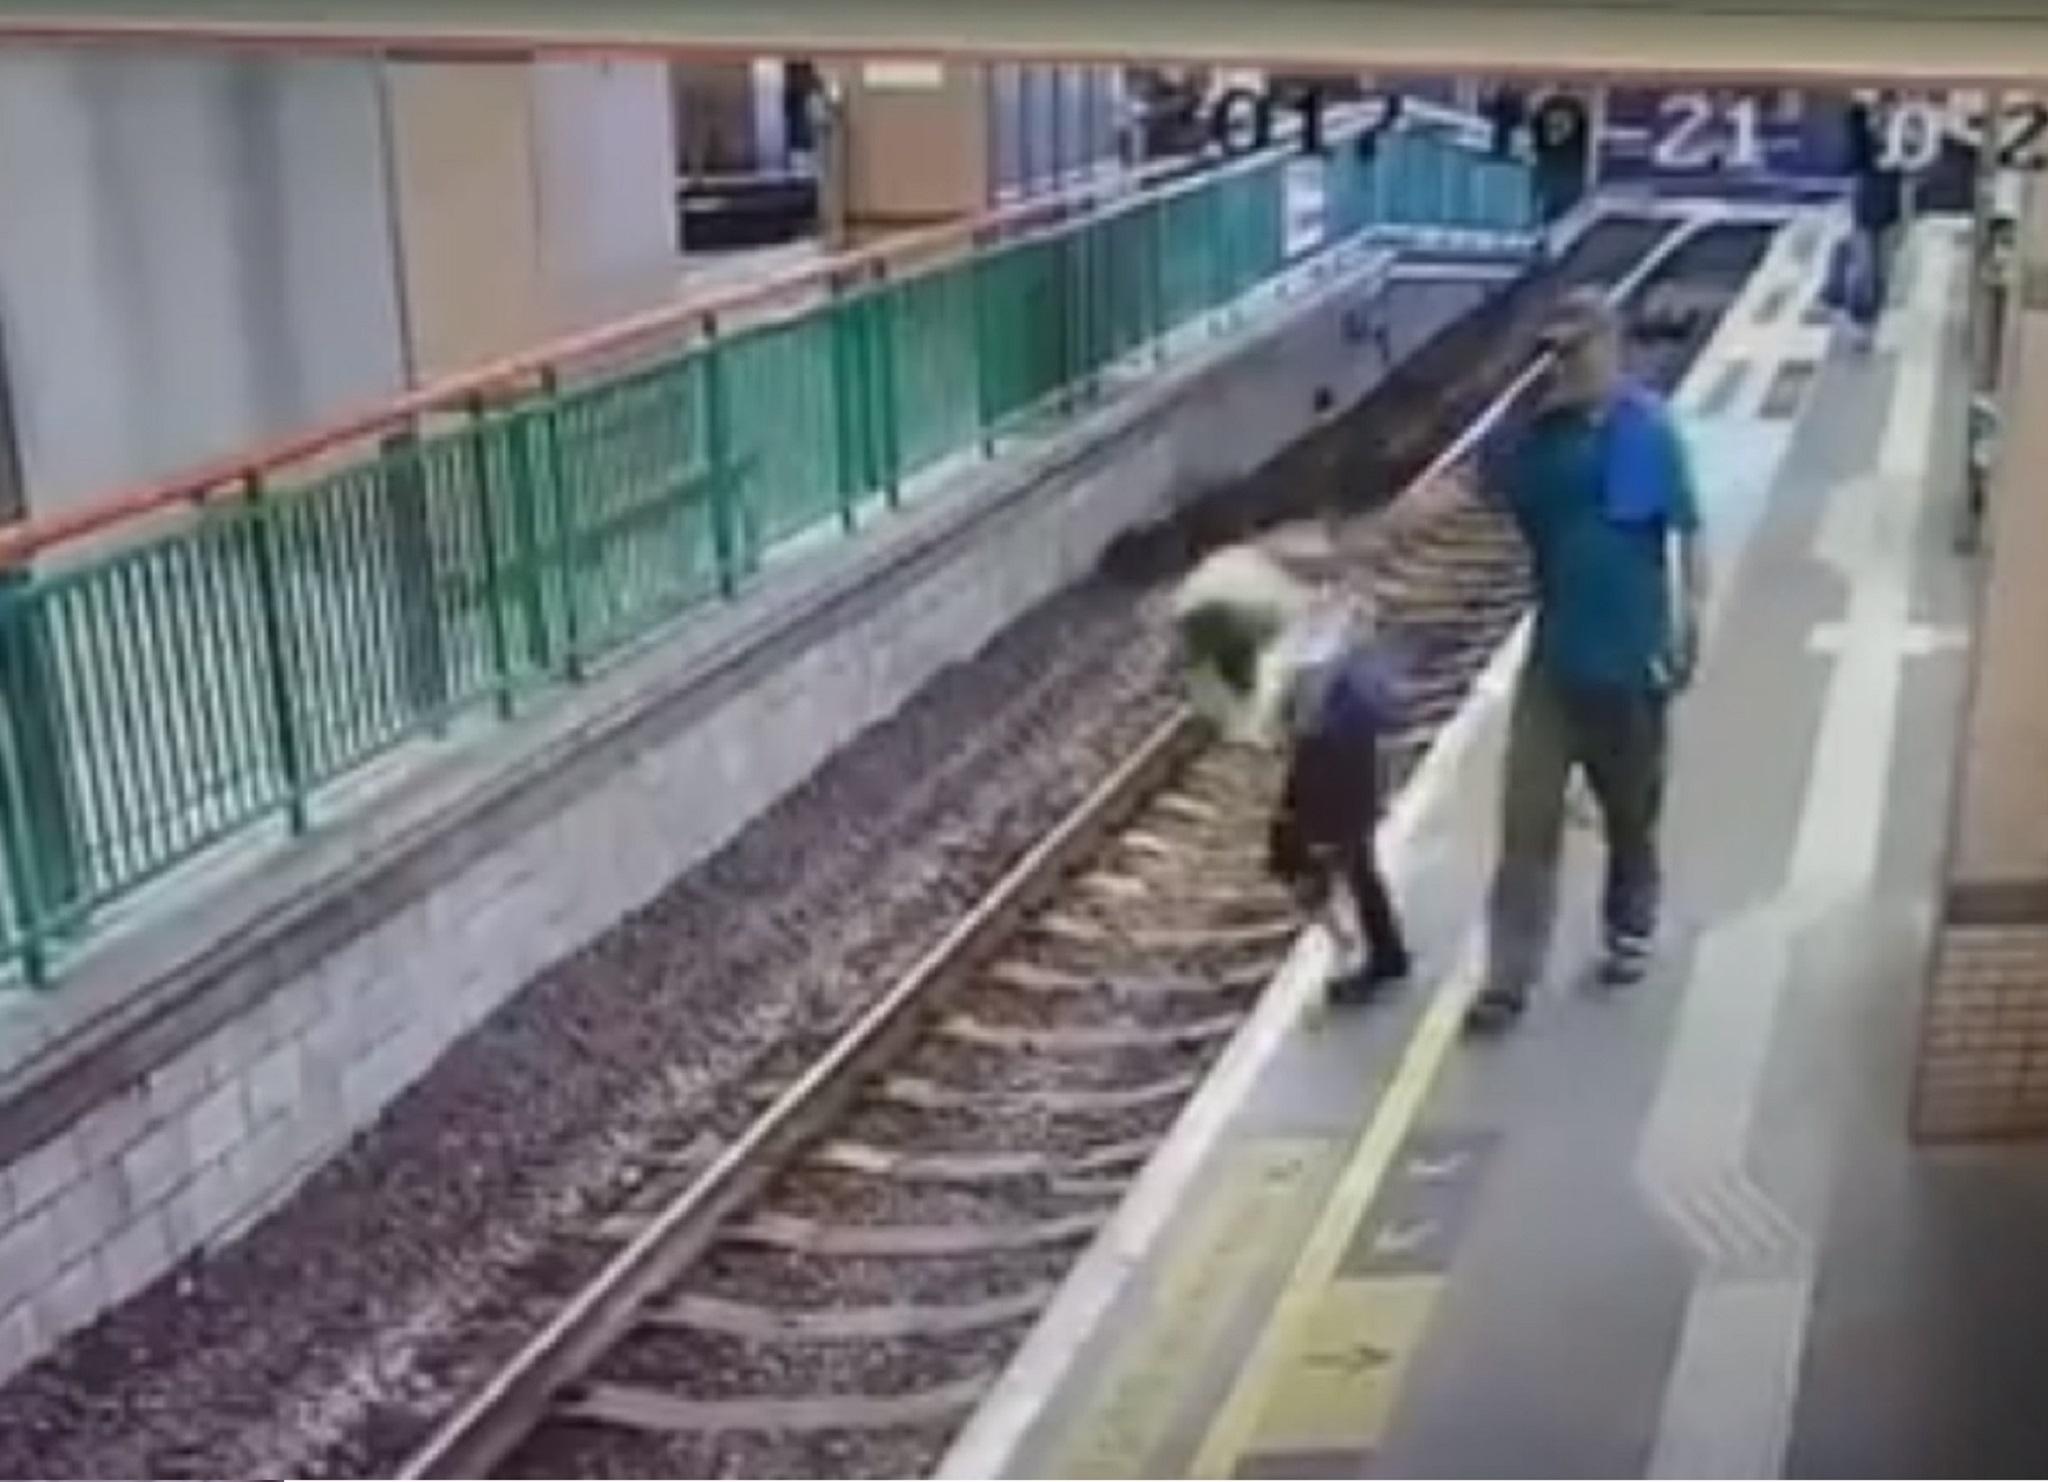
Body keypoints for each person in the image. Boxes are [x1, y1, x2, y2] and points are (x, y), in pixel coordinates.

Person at [1457, 289, 1707, 1031]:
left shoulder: (1649, 433)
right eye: (1559, 353)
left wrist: (1694, 615)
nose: (1572, 365)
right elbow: (1472, 487)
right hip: (1554, 671)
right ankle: (1509, 977)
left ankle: (1629, 926)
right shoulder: (1536, 445)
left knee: (1631, 815)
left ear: (1614, 347)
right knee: (1525, 824)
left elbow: (1686, 531)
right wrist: (1519, 403)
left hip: (1633, 668)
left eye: (1582, 349)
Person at [1170, 531, 1413, 1003]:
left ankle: (1366, 951)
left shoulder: (1307, 630)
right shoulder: (1318, 620)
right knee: (1338, 853)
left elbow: (1295, 696)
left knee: (1320, 853)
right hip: (1337, 741)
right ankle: (1374, 950)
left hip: (1336, 745)